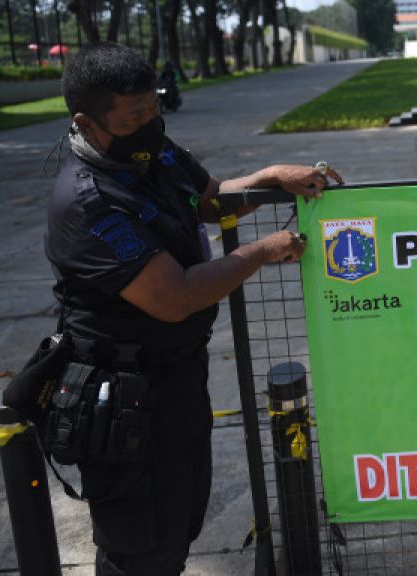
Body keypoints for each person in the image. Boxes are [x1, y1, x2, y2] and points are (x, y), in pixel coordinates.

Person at [45, 43, 342, 575]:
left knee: (177, 527)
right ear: (88, 125)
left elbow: (208, 200)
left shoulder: (151, 152)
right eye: (134, 117)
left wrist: (272, 175)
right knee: (140, 551)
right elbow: (175, 296)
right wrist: (262, 251)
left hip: (177, 378)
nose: (150, 124)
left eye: (154, 109)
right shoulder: (90, 202)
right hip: (123, 398)